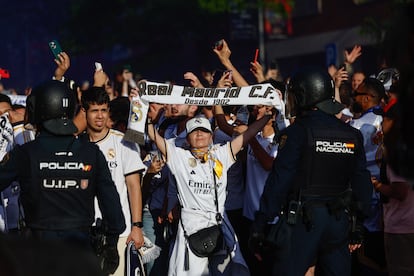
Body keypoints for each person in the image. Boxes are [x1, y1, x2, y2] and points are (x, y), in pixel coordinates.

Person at [250, 66, 372, 275]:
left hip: (303, 222)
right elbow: (362, 182)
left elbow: (280, 181)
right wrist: (358, 225)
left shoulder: (297, 132)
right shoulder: (352, 135)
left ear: (304, 96)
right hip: (338, 223)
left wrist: (260, 225)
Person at [0, 80, 126, 275]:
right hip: (81, 253)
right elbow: (112, 205)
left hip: (39, 254)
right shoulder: (91, 153)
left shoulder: (26, 153)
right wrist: (111, 243)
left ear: (39, 110)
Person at [147, 106, 273, 275]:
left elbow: (248, 135)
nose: (199, 134)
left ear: (211, 136)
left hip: (219, 226)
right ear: (187, 138)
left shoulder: (221, 154)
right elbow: (154, 136)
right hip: (190, 229)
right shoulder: (179, 156)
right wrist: (141, 113)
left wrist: (268, 117)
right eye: (194, 131)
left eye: (204, 131)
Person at [81, 86, 146, 276]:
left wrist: (137, 227)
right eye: (94, 111)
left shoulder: (124, 141)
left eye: (103, 110)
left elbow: (134, 187)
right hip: (85, 232)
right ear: (84, 112)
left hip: (120, 232)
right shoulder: (77, 145)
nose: (100, 116)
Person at [349, 77, 388, 274]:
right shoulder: (388, 120)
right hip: (385, 195)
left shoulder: (356, 126)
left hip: (366, 193)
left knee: (365, 253)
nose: (353, 96)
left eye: (357, 94)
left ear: (368, 98)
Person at [371, 100, 414, 276]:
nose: (381, 124)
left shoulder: (398, 153)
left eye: (386, 119)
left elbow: (400, 191)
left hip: (402, 229)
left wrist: (376, 184)